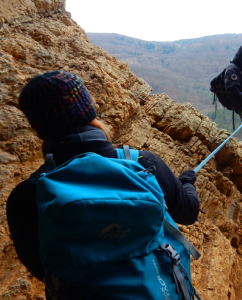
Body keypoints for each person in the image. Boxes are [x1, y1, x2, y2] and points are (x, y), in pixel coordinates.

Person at [6, 70, 200, 297]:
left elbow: (44, 268)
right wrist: (186, 181)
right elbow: (189, 212)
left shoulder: (27, 197)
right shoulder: (144, 163)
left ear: (38, 127)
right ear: (89, 109)